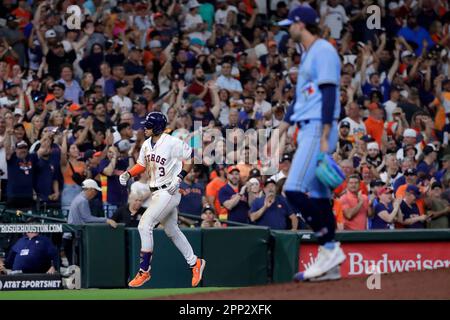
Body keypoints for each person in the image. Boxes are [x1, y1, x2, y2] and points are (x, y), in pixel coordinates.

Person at [274, 6, 346, 282]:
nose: (287, 30)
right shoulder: (308, 55)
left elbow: (329, 93)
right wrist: (280, 130)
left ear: (301, 24)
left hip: (318, 127)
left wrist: (327, 132)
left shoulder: (323, 50)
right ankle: (332, 265)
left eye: (289, 25)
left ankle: (329, 248)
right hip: (307, 127)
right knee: (318, 198)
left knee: (292, 189)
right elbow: (300, 100)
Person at [119, 112, 206, 288]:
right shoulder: (145, 144)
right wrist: (129, 173)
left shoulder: (172, 142)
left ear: (157, 126)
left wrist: (180, 177)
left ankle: (144, 271)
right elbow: (142, 165)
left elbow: (191, 159)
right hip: (157, 192)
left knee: (144, 225)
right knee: (172, 230)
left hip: (170, 190)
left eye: (148, 125)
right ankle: (195, 262)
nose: (145, 127)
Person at [63, 179, 117, 264]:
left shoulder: (79, 198)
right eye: (95, 191)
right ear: (90, 189)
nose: (95, 194)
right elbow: (87, 218)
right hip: (73, 238)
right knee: (77, 266)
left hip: (71, 237)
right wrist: (106, 220)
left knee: (76, 266)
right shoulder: (82, 200)